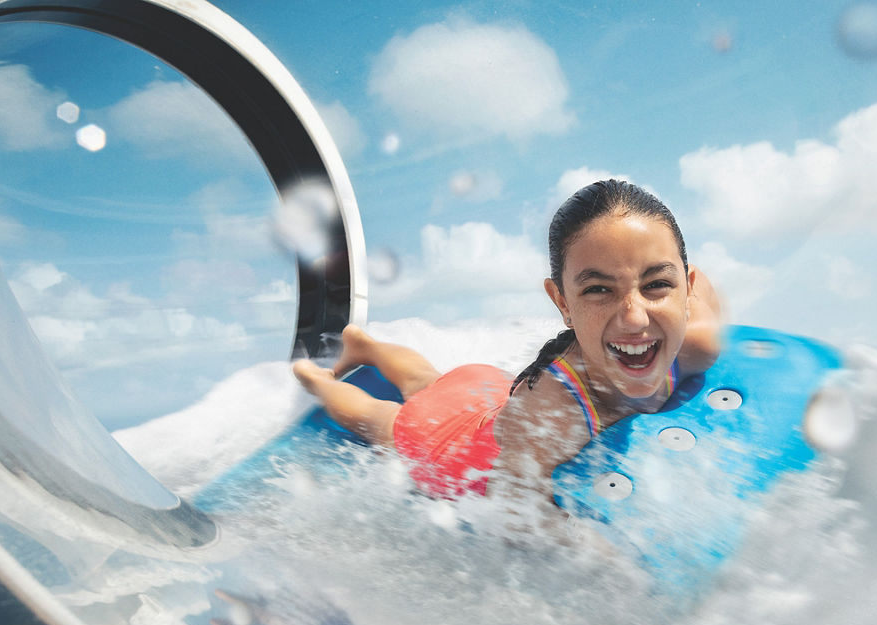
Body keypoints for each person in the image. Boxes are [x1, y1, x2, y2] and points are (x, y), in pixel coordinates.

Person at [291, 179, 722, 508]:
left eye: (657, 283)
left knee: (427, 380)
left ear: (686, 289)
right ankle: (318, 379)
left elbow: (702, 297)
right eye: (599, 290)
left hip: (485, 391)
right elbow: (517, 516)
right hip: (449, 449)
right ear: (562, 303)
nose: (634, 317)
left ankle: (364, 343)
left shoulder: (697, 341)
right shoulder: (549, 414)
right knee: (378, 418)